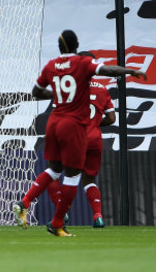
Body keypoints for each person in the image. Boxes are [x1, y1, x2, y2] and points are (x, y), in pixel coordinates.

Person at [13, 30, 147, 237]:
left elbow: (36, 92)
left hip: (54, 123)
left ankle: (25, 201)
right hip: (76, 128)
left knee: (54, 171)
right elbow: (109, 72)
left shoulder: (52, 66)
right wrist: (128, 70)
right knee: (76, 176)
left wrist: (57, 93)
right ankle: (58, 222)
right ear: (76, 46)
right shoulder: (85, 69)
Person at [45, 50, 115, 229]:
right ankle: (98, 215)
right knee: (89, 179)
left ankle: (62, 212)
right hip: (92, 140)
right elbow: (112, 119)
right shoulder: (102, 88)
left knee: (52, 173)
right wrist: (95, 124)